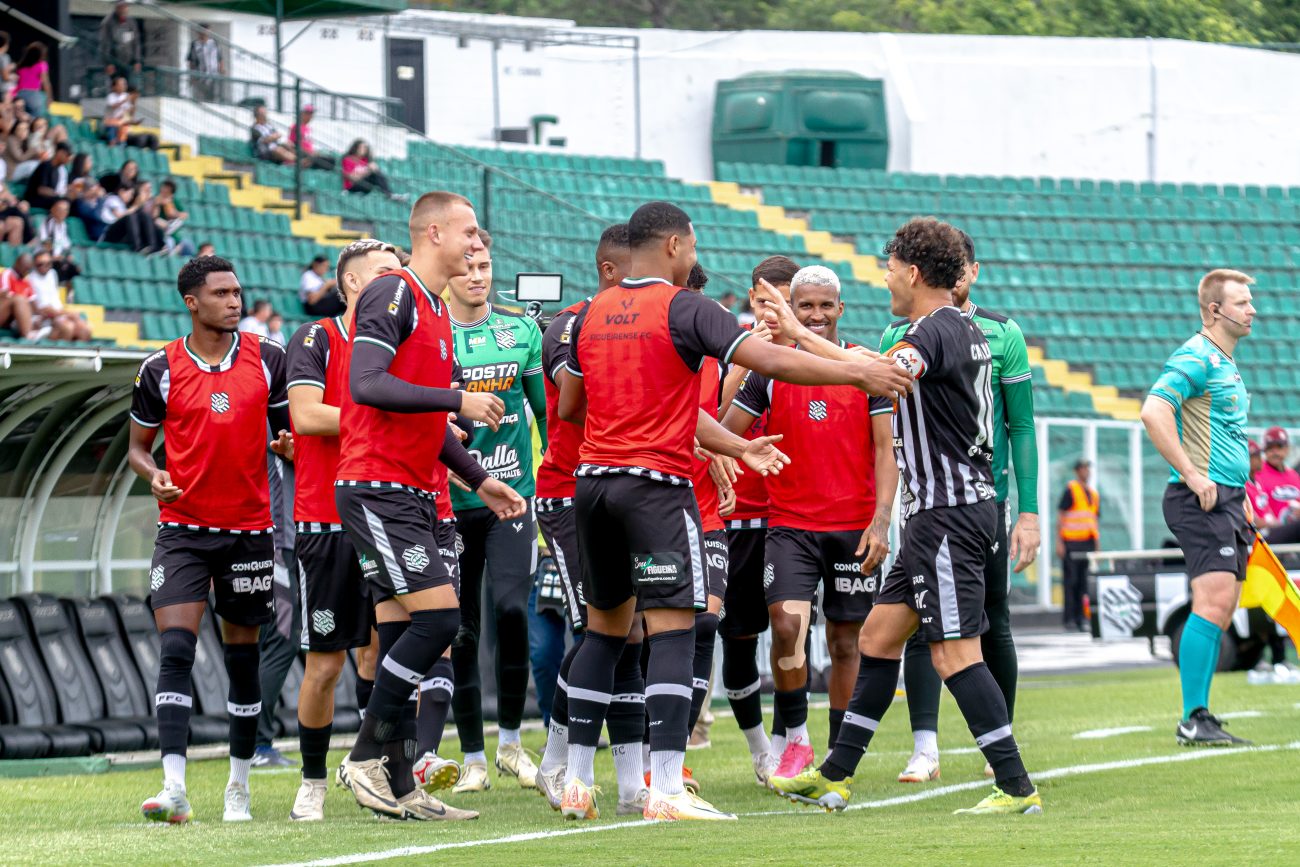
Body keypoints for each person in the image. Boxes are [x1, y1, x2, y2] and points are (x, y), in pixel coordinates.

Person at [555, 200, 912, 823]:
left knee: (604, 631)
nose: (695, 259)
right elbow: (769, 360)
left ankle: (578, 781)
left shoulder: (591, 313)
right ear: (672, 246)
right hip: (654, 488)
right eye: (691, 248)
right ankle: (666, 787)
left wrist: (737, 444)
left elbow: (572, 406)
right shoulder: (687, 306)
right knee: (672, 631)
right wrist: (858, 374)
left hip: (592, 486)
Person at [769, 217, 1042, 816]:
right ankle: (835, 776)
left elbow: (883, 373)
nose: (886, 277)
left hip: (947, 514)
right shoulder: (960, 325)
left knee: (954, 653)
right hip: (941, 514)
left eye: (890, 267)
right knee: (878, 635)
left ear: (914, 272)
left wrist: (794, 332)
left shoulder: (934, 330)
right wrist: (814, 341)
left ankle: (1016, 786)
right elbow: (877, 361)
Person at [334, 191, 525, 821]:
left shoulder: (438, 314)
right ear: (435, 231)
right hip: (378, 488)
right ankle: (364, 756)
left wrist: (478, 477)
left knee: (399, 629)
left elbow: (424, 421)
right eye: (469, 231)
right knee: (440, 623)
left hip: (416, 489)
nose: (478, 242)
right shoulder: (393, 292)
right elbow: (368, 385)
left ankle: (401, 782)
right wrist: (456, 398)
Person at [127, 256, 294, 824]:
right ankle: (173, 786)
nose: (234, 301)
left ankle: (238, 786)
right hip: (182, 532)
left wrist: (289, 446)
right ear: (192, 302)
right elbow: (137, 449)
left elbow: (285, 433)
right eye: (221, 293)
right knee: (176, 649)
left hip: (249, 531)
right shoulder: (160, 369)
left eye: (238, 291)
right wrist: (154, 476)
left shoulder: (269, 360)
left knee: (242, 659)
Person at [722, 263, 893, 784]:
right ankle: (794, 738)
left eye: (825, 306)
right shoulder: (769, 368)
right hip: (790, 526)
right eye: (806, 307)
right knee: (788, 627)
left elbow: (887, 451)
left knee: (847, 641)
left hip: (853, 526)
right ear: (791, 312)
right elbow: (727, 429)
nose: (816, 315)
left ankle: (840, 753)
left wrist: (882, 521)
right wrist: (730, 457)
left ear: (841, 309)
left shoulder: (867, 367)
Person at [883, 229, 1040, 782]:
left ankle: (1004, 758)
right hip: (933, 502)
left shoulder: (996, 332)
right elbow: (887, 424)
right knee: (905, 628)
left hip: (962, 502)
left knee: (975, 627)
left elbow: (1020, 424)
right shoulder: (910, 330)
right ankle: (916, 748)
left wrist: (1029, 509)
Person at [533, 224, 646, 814]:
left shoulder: (641, 322)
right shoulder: (569, 326)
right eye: (639, 272)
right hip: (569, 491)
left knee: (630, 632)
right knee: (601, 631)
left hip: (625, 490)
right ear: (609, 272)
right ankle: (561, 764)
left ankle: (630, 782)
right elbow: (575, 403)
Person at [286, 239, 399, 821]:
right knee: (326, 661)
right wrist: (394, 411)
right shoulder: (315, 338)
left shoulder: (403, 343)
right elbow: (305, 415)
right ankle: (311, 781)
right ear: (354, 284)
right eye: (386, 273)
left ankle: (372, 768)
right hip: (325, 519)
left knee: (381, 653)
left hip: (390, 513)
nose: (399, 282)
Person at [444, 227, 548, 794]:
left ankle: (510, 741)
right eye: (467, 268)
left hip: (512, 497)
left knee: (511, 610)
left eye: (484, 266)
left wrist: (555, 479)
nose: (478, 276)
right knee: (461, 629)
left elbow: (545, 414)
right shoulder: (430, 336)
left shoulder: (521, 330)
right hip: (452, 501)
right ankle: (473, 758)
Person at [1140, 268, 1256, 747]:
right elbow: (1153, 410)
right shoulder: (1196, 355)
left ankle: (1200, 714)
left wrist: (1242, 496)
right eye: (1243, 302)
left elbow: (1224, 436)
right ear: (1215, 310)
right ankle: (1193, 717)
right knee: (1211, 603)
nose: (1253, 310)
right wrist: (1192, 473)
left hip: (1227, 498)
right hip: (1198, 499)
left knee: (1223, 605)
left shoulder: (1225, 362)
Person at [717, 254, 799, 784]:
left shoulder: (813, 351)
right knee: (740, 636)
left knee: (791, 635)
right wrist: (752, 355)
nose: (779, 311)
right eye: (770, 301)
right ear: (753, 300)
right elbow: (717, 416)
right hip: (741, 514)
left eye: (788, 302)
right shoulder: (730, 345)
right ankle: (758, 749)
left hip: (793, 517)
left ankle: (793, 741)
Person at [1057, 459, 1099, 632]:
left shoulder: (1093, 494)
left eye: (1088, 468)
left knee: (1084, 583)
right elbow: (1061, 515)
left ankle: (1082, 618)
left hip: (1087, 543)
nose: (1086, 471)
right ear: (1077, 471)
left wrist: (1097, 545)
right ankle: (1070, 619)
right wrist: (1059, 542)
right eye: (1083, 468)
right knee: (1071, 582)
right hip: (1072, 543)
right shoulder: (1071, 489)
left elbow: (1093, 521)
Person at [28, 251, 91, 341]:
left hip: (57, 314)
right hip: (44, 319)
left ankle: (78, 354)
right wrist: (68, 314)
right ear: (34, 264)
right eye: (40, 264)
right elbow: (45, 309)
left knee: (85, 329)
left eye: (48, 263)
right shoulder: (32, 279)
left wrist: (66, 314)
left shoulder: (52, 273)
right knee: (68, 327)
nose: (44, 267)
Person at [1254, 427, 1300, 528]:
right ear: (1264, 450)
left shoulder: (1294, 476)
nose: (1275, 452)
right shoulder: (1257, 474)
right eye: (1270, 447)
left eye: (1279, 446)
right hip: (1269, 533)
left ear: (1287, 448)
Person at [99, 2, 142, 85]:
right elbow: (104, 44)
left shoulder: (131, 22)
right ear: (117, 7)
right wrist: (108, 63)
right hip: (114, 62)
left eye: (126, 7)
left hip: (129, 63)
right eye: (121, 7)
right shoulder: (108, 22)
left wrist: (137, 60)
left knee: (131, 87)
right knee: (117, 87)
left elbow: (136, 42)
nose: (124, 9)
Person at [0, 254, 39, 339]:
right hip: (5, 315)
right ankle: (28, 338)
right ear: (17, 263)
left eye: (28, 269)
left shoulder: (26, 281)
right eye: (25, 267)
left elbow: (34, 305)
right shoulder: (6, 274)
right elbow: (3, 296)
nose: (26, 271)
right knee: (19, 300)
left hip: (17, 318)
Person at [23, 141, 70, 211]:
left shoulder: (57, 171)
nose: (68, 159)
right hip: (34, 199)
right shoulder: (45, 166)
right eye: (67, 155)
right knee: (61, 201)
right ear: (59, 153)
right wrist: (58, 194)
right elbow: (41, 190)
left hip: (46, 199)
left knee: (67, 201)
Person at [289, 106, 335, 170]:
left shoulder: (307, 128)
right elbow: (293, 145)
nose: (310, 116)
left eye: (311, 114)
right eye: (308, 114)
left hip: (310, 154)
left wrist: (314, 153)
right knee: (327, 161)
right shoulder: (296, 126)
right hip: (302, 154)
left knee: (330, 160)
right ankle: (302, 163)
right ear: (302, 114)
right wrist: (309, 153)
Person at [186, 26, 224, 102]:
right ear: (199, 32)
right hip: (199, 75)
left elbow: (220, 58)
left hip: (213, 74)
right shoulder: (195, 44)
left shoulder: (214, 43)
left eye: (207, 32)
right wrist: (192, 75)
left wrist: (221, 69)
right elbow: (191, 61)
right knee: (199, 97)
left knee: (214, 97)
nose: (205, 34)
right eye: (202, 32)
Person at [14, 43, 52, 119]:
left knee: (22, 120)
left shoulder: (21, 65)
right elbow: (46, 83)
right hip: (33, 95)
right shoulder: (41, 65)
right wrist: (49, 98)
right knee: (36, 121)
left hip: (19, 95)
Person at [4, 119, 44, 183]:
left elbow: (29, 157)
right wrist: (32, 150)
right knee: (33, 166)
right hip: (11, 172)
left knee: (41, 164)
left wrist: (38, 155)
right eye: (20, 129)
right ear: (15, 130)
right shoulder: (11, 139)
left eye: (25, 129)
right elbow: (20, 158)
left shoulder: (25, 141)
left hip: (19, 168)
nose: (23, 131)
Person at [103, 76, 134, 146]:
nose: (123, 86)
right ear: (114, 87)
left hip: (121, 123)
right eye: (120, 84)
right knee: (112, 138)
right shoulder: (110, 96)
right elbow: (113, 106)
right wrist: (124, 101)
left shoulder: (126, 95)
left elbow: (128, 110)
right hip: (111, 122)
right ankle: (112, 144)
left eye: (124, 84)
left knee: (123, 140)